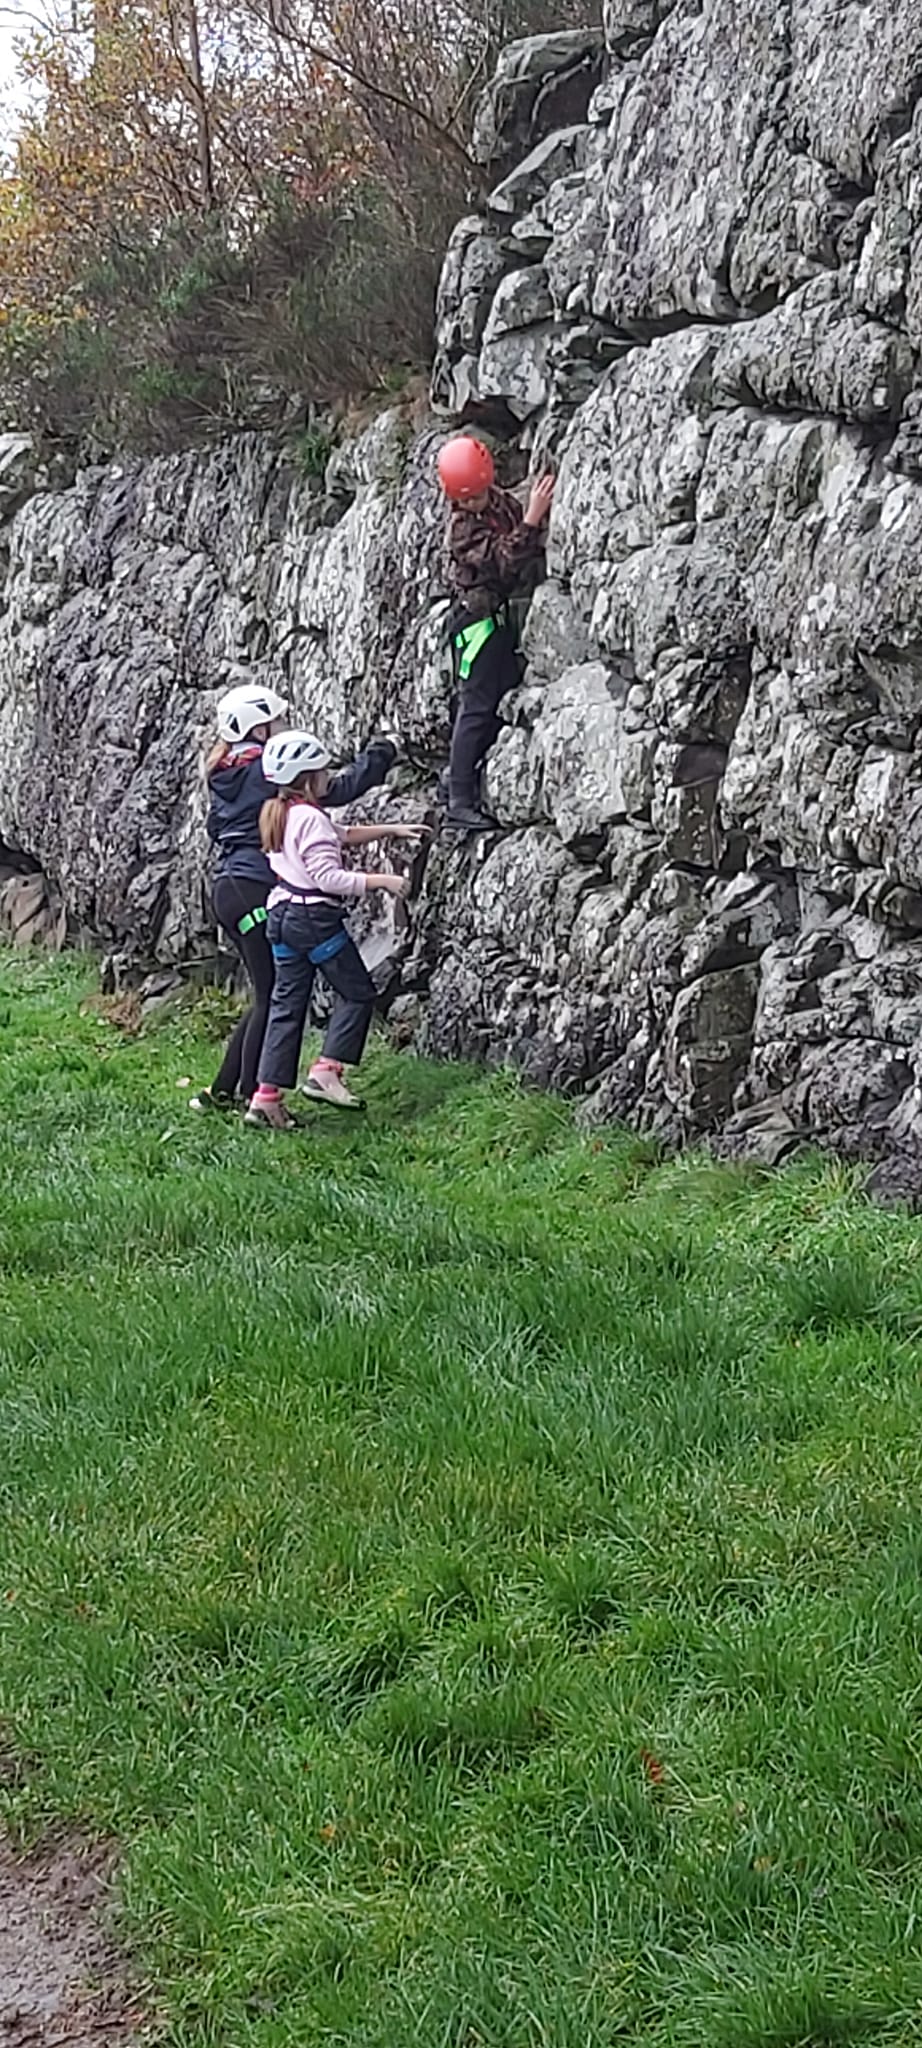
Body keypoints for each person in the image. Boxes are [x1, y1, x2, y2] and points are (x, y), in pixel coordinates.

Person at [190, 679, 398, 1114]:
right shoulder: (265, 769)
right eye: (276, 721)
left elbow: (217, 830)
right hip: (255, 889)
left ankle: (226, 1092)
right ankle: (255, 1098)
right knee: (274, 996)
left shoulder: (224, 771)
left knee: (265, 993)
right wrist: (382, 754)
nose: (283, 726)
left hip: (228, 889)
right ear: (259, 729)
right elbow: (333, 791)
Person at [246, 729, 424, 1131]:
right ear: (309, 778)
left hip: (282, 917)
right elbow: (327, 877)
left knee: (286, 1007)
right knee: (357, 993)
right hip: (314, 921)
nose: (330, 778)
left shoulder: (281, 811)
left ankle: (266, 1098)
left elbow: (338, 836)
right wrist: (384, 881)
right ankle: (327, 1072)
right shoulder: (311, 818)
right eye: (324, 771)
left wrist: (392, 829)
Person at [439, 435, 554, 833]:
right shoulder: (461, 530)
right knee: (476, 707)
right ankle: (458, 800)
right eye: (464, 499)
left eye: (476, 495)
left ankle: (458, 781)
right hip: (475, 624)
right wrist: (532, 520)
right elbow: (504, 562)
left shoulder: (500, 501)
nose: (472, 504)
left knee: (492, 701)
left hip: (498, 621)